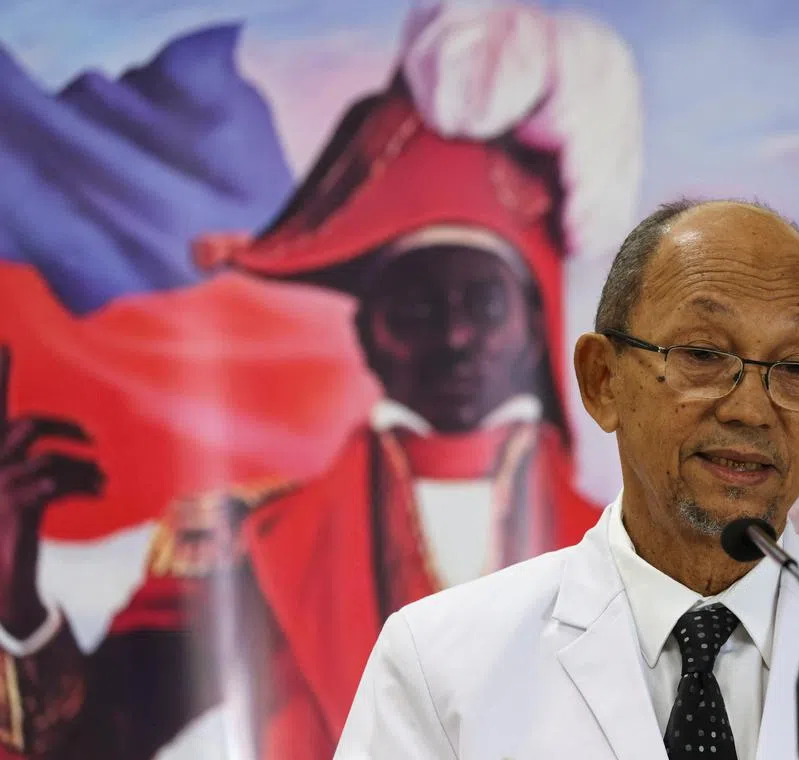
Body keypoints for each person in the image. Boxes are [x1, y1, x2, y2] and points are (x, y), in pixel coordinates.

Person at [0, 4, 640, 758]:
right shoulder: (253, 551)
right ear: (368, 333)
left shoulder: (638, 559)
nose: (456, 333)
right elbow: (87, 741)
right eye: (417, 304)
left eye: (484, 301)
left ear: (533, 326)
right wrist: (15, 597)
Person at [333, 199, 799, 759]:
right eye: (703, 353)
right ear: (602, 380)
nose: (752, 408)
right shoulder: (442, 662)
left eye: (795, 369)